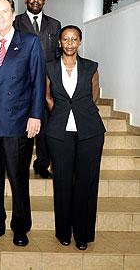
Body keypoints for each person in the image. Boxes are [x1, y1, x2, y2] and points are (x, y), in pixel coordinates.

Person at [0, 0, 45, 247]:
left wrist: (35, 115)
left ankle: (20, 227)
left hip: (18, 121)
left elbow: (38, 81)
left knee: (18, 178)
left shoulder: (29, 42)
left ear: (13, 13)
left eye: (4, 11)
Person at [45, 25, 105, 251]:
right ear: (59, 42)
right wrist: (60, 114)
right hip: (59, 133)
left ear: (80, 42)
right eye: (65, 39)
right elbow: (48, 96)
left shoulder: (91, 67)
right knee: (62, 183)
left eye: (74, 39)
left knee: (86, 184)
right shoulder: (50, 67)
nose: (70, 43)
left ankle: (83, 234)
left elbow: (94, 96)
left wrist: (81, 114)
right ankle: (64, 232)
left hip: (89, 132)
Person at [14, 0, 61, 179]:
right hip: (22, 83)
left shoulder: (54, 24)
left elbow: (58, 54)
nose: (36, 1)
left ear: (44, 1)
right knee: (21, 125)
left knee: (45, 125)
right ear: (26, 0)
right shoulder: (16, 22)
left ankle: (42, 164)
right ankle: (18, 164)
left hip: (47, 84)